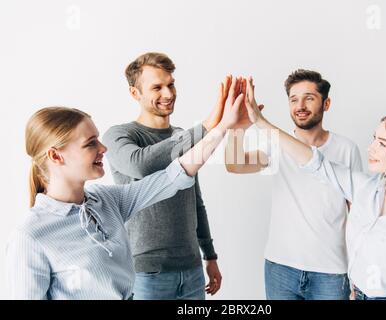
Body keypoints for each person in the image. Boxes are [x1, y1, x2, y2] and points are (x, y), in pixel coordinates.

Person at [5, 76, 244, 299]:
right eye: (90, 144)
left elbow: (175, 175)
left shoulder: (106, 201)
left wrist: (222, 127)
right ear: (56, 156)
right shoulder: (31, 236)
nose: (103, 148)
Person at [243, 77, 386, 300]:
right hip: (322, 281)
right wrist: (249, 125)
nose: (370, 148)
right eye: (374, 139)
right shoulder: (366, 189)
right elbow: (315, 163)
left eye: (382, 143)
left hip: (337, 276)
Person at [103, 52, 232, 299]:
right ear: (135, 93)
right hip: (146, 274)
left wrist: (210, 255)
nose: (168, 94)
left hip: (192, 269)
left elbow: (195, 201)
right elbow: (141, 164)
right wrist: (207, 127)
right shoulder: (119, 136)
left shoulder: (184, 135)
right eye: (157, 87)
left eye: (171, 84)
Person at [225, 70, 362, 300]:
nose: (300, 105)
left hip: (331, 273)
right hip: (280, 268)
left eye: (309, 98)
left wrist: (358, 273)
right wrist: (237, 128)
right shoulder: (276, 144)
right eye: (294, 99)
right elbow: (235, 165)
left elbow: (357, 214)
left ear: (326, 103)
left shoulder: (346, 149)